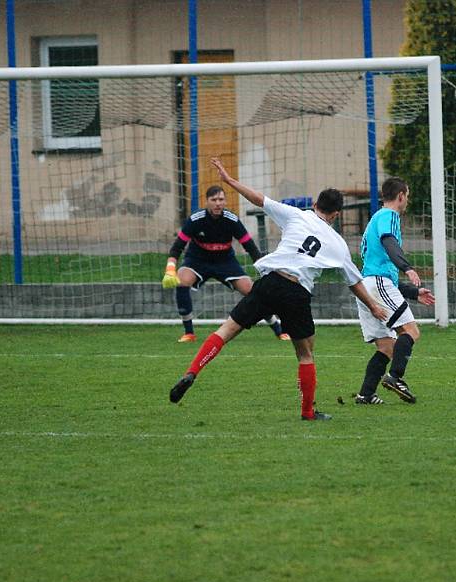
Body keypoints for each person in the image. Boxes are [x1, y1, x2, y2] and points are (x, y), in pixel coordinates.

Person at [169, 157, 388, 421]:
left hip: (270, 280)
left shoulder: (297, 214)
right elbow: (354, 283)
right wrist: (374, 306)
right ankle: (308, 412)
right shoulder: (339, 245)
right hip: (297, 292)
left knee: (226, 330)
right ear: (336, 214)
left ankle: (193, 370)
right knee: (305, 353)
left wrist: (229, 181)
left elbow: (259, 199)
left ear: (315, 205)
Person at [162, 184, 290, 342]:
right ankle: (189, 333)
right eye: (213, 199)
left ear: (225, 202)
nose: (217, 203)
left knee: (252, 290)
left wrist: (265, 270)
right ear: (207, 201)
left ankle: (279, 330)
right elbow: (177, 248)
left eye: (221, 199)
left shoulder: (232, 220)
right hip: (197, 260)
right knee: (182, 281)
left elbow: (250, 247)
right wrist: (170, 269)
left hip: (225, 261)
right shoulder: (195, 220)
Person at [354, 176, 435, 405]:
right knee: (411, 331)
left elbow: (379, 268)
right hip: (378, 284)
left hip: (367, 286)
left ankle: (366, 394)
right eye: (406, 196)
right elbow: (390, 243)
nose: (406, 200)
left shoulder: (374, 219)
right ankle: (395, 377)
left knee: (386, 346)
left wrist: (413, 292)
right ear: (401, 196)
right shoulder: (389, 216)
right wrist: (407, 268)